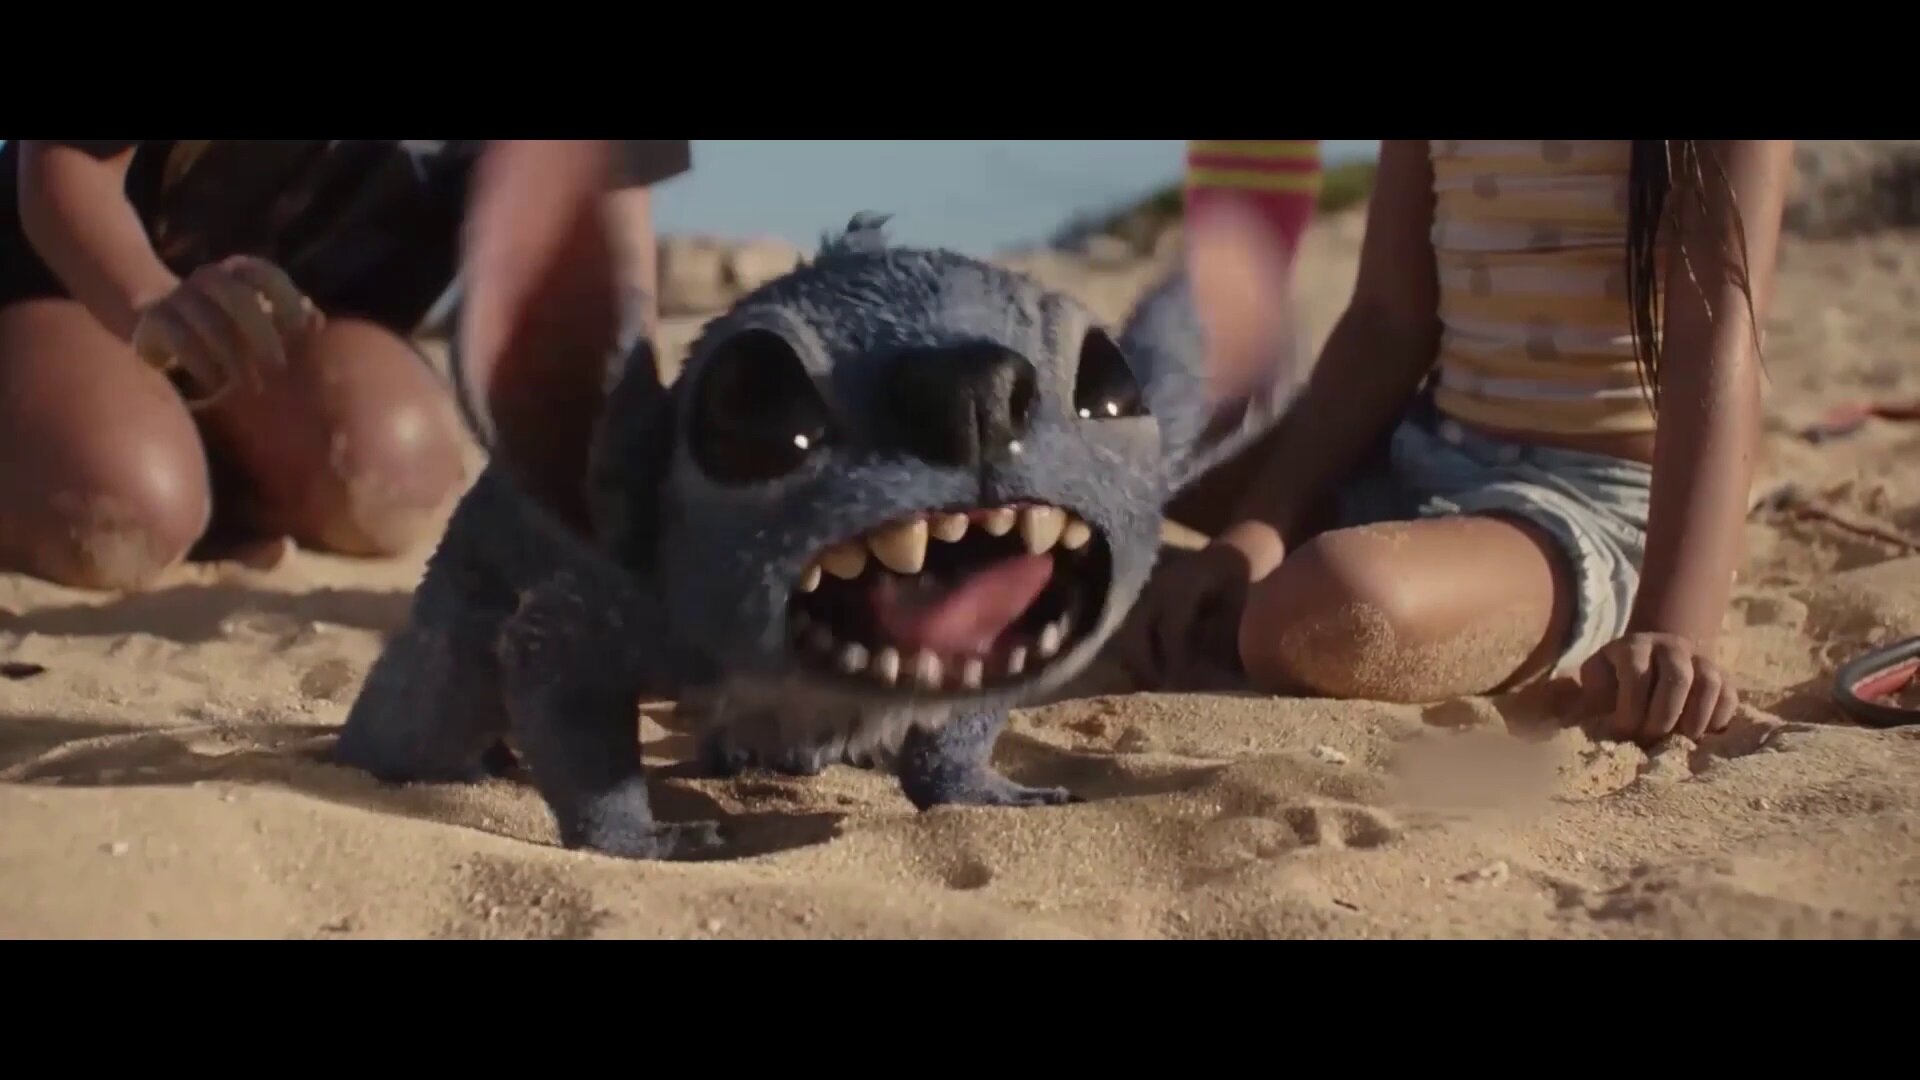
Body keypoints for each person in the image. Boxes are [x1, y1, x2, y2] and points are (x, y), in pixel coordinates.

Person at [1119, 139, 1792, 746]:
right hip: (1418, 448)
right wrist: (1253, 534)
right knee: (1134, 458)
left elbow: (1715, 340)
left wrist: (1674, 628)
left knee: (1319, 611)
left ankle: (1255, 595)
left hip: (1583, 507)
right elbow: (1387, 322)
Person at [0, 139, 689, 591]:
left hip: (297, 328)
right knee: (115, 509)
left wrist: (625, 454)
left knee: (392, 475)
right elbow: (66, 167)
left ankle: (217, 485)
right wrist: (150, 300)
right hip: (79, 289)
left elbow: (612, 264)